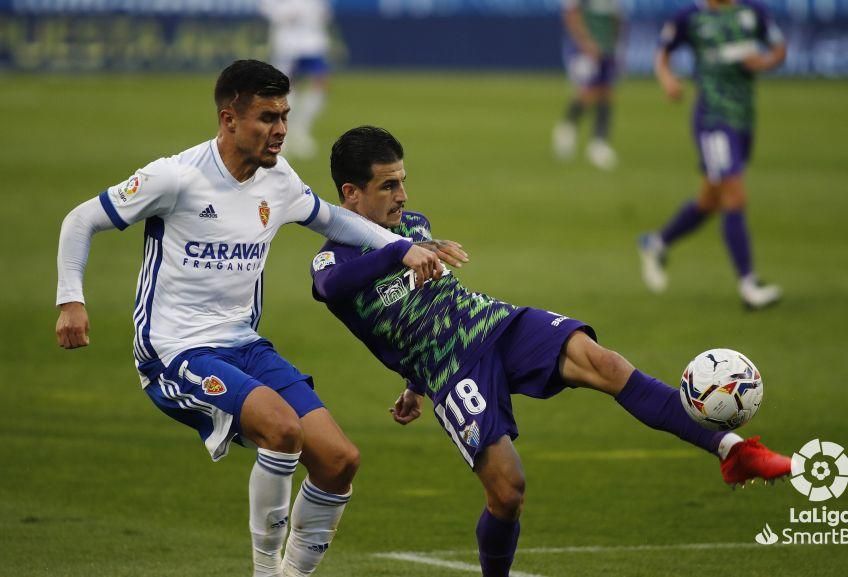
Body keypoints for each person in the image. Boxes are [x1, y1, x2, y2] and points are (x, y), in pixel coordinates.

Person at [310, 126, 792, 577]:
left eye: (403, 182)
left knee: (605, 363)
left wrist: (410, 384)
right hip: (452, 369)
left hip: (494, 323)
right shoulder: (333, 259)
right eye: (388, 186)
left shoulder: (413, 224)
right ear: (351, 193)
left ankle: (732, 449)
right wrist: (400, 267)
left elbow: (424, 305)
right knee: (507, 492)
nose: (403, 196)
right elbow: (331, 288)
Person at [54, 62, 446, 577]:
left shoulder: (278, 181)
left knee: (339, 460)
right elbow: (81, 219)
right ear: (229, 119)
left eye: (284, 115)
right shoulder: (176, 178)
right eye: (267, 117)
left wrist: (403, 248)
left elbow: (334, 220)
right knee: (281, 430)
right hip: (176, 351)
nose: (280, 129)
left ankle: (290, 574)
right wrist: (71, 300)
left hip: (244, 343)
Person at [639, 0, 787, 309]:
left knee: (709, 200)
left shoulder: (752, 11)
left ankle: (657, 243)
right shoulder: (690, 17)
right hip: (713, 120)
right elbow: (662, 51)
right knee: (734, 194)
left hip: (744, 118)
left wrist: (764, 62)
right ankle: (749, 284)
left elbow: (779, 49)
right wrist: (667, 79)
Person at [259, 0, 335, 159]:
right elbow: (268, 8)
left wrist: (318, 14)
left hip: (314, 41)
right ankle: (280, 135)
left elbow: (323, 10)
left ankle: (301, 131)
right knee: (286, 87)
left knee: (320, 82)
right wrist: (287, 13)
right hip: (289, 43)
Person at [552, 0, 622, 170]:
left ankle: (597, 141)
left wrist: (616, 44)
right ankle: (570, 128)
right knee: (590, 90)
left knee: (606, 92)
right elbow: (571, 15)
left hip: (607, 48)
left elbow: (616, 18)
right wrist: (585, 42)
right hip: (584, 49)